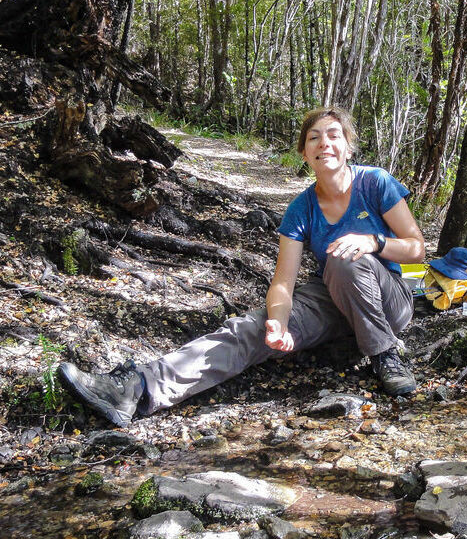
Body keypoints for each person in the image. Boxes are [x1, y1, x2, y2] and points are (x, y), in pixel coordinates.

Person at [58, 107, 425, 428]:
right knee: (250, 327)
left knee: (347, 261)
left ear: (348, 146)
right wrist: (278, 321)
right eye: (314, 138)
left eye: (333, 135)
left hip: (387, 300)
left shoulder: (375, 182)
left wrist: (373, 242)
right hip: (331, 298)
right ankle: (138, 389)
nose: (324, 143)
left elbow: (416, 249)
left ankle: (385, 355)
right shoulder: (301, 208)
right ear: (304, 153)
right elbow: (283, 282)